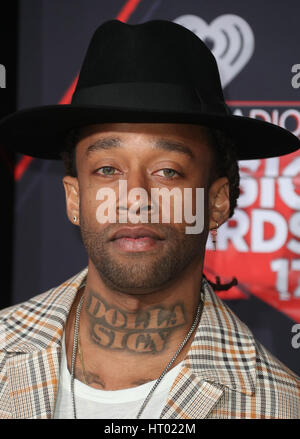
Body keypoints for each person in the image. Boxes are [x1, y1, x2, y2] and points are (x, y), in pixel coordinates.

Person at [0, 19, 299, 420]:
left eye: (168, 171)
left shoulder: (277, 406)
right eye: (107, 169)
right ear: (74, 198)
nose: (135, 198)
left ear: (217, 202)